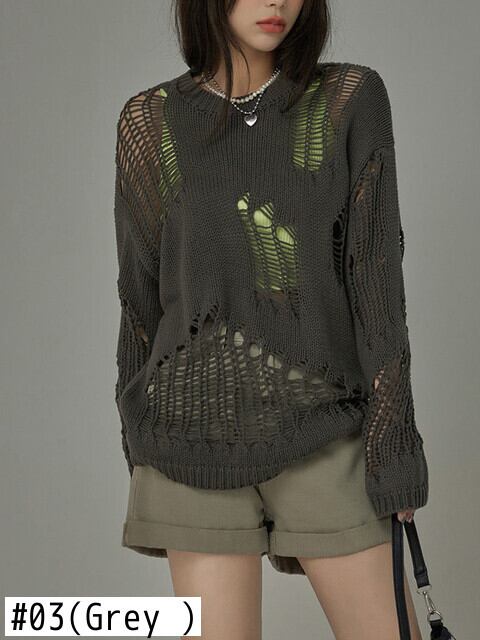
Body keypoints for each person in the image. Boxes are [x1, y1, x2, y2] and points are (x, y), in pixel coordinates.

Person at [112, 1, 429, 638]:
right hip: (187, 440)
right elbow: (141, 298)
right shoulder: (150, 120)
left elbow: (375, 285)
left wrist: (393, 448)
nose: (277, 1)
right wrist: (138, 435)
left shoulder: (348, 99)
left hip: (325, 429)